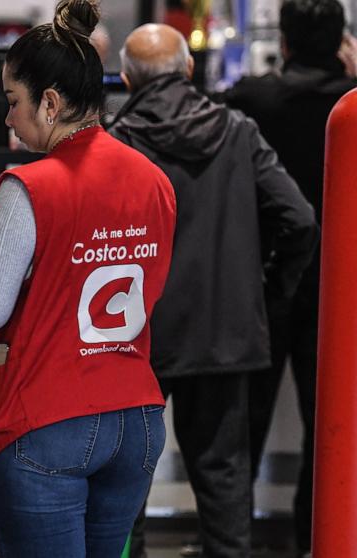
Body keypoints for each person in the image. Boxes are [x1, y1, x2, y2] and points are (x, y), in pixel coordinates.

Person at [0, 1, 176, 555]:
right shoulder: (152, 180)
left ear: (50, 102)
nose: (7, 119)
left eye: (13, 102)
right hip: (135, 423)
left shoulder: (29, 185)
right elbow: (83, 262)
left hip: (46, 424)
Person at [111, 24, 318, 558]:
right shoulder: (238, 132)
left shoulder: (119, 143)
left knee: (124, 487)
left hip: (138, 335)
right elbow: (299, 221)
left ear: (128, 78)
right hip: (224, 333)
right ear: (187, 70)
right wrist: (270, 293)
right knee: (224, 484)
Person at [224, 1, 356, 554]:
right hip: (341, 288)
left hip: (267, 280)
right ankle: (316, 538)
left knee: (244, 426)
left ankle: (232, 538)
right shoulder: (350, 104)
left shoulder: (252, 99)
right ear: (341, 38)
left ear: (284, 38)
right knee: (329, 426)